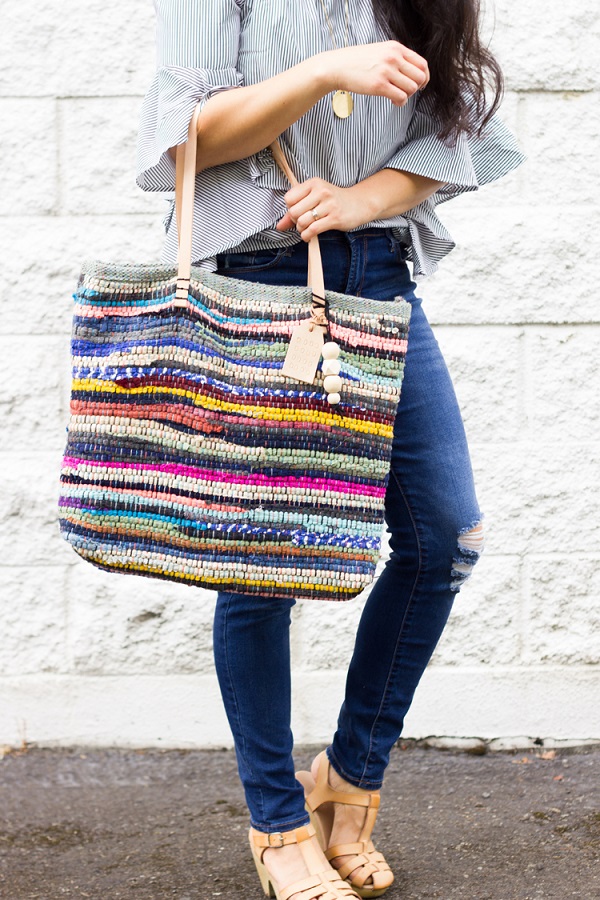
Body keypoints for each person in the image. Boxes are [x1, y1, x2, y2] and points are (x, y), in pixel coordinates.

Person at [136, 2, 524, 898]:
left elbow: (451, 139)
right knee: (262, 563)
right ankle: (276, 823)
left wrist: (361, 200)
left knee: (445, 536)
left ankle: (348, 784)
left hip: (378, 273)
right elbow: (187, 137)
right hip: (254, 275)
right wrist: (322, 72)